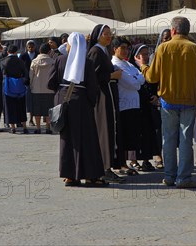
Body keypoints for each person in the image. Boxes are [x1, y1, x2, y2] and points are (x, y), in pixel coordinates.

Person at [137, 16, 196, 188]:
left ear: (173, 30)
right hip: (189, 101)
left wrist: (143, 66)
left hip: (168, 101)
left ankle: (169, 176)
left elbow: (152, 77)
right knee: (185, 140)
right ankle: (184, 178)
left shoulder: (163, 48)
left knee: (168, 139)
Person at [47, 32, 108, 187]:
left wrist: (60, 93)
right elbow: (92, 87)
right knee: (88, 139)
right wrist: (90, 103)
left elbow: (51, 83)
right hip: (82, 103)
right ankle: (90, 176)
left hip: (64, 101)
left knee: (67, 139)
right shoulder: (87, 63)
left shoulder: (59, 60)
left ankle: (69, 176)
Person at [87, 24, 125, 183]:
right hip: (102, 97)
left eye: (110, 34)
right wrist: (112, 75)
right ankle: (104, 168)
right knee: (105, 131)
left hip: (108, 95)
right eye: (105, 34)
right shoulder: (96, 51)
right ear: (98, 35)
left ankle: (108, 166)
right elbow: (92, 76)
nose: (109, 36)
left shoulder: (104, 50)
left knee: (109, 130)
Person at [111, 37, 144, 175]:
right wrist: (138, 78)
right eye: (122, 48)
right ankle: (121, 163)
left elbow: (141, 78)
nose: (125, 51)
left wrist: (137, 78)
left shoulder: (128, 64)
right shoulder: (115, 64)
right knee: (123, 136)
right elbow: (134, 83)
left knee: (131, 135)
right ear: (115, 49)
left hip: (134, 105)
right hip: (124, 105)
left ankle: (127, 162)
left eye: (127, 48)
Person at [129, 44, 162, 171]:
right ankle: (133, 160)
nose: (147, 56)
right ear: (136, 56)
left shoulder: (150, 68)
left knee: (148, 133)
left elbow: (156, 83)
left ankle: (146, 159)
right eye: (143, 54)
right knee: (136, 133)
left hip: (149, 106)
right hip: (136, 105)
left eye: (147, 54)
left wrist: (155, 96)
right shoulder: (131, 68)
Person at [1, 44, 29, 134]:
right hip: (19, 85)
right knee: (21, 107)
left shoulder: (3, 61)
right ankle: (24, 126)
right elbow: (25, 72)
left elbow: (3, 73)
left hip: (8, 85)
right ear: (16, 52)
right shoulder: (20, 61)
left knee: (10, 107)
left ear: (8, 52)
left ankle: (12, 127)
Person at [29, 43, 55, 134]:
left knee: (37, 110)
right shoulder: (52, 62)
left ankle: (38, 127)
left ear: (39, 50)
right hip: (49, 89)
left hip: (36, 88)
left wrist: (31, 85)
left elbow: (31, 76)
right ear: (49, 51)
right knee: (48, 109)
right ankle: (48, 127)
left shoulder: (34, 61)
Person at [20, 40, 38, 126]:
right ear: (26, 47)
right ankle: (23, 119)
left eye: (32, 46)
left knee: (34, 101)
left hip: (36, 80)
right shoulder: (23, 56)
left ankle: (31, 119)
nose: (31, 48)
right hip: (25, 81)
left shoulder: (37, 55)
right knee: (25, 101)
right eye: (29, 47)